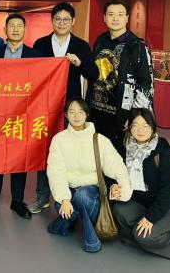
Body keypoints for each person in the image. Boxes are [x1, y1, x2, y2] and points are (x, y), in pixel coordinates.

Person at [30, 2, 99, 214]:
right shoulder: (41, 44)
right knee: (45, 149)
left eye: (66, 20)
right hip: (45, 106)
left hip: (72, 108)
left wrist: (79, 63)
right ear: (52, 20)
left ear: (73, 21)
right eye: (58, 19)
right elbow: (31, 73)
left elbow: (94, 74)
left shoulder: (81, 45)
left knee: (71, 150)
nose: (61, 23)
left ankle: (69, 196)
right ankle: (42, 195)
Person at [47, 98, 132, 253]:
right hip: (68, 190)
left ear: (87, 114)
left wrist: (124, 190)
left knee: (82, 196)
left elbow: (117, 166)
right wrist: (64, 199)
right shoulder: (59, 140)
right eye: (72, 112)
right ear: (66, 115)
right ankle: (74, 223)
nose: (76, 116)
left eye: (80, 112)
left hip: (91, 193)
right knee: (64, 204)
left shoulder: (99, 140)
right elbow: (55, 171)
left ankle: (86, 238)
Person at [0, 13, 41, 220]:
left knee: (19, 158)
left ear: (25, 30)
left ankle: (17, 201)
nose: (15, 29)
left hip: (23, 114)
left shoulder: (35, 55)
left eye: (19, 26)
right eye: (11, 26)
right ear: (5, 30)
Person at [112, 108, 170, 260]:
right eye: (135, 125)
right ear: (129, 127)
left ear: (153, 128)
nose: (140, 130)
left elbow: (168, 192)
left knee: (144, 236)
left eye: (145, 126)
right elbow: (117, 173)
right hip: (143, 202)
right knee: (119, 211)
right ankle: (141, 238)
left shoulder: (163, 153)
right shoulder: (125, 147)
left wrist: (150, 218)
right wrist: (114, 186)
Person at [87, 0, 154, 152]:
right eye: (111, 14)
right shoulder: (100, 40)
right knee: (98, 155)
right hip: (97, 111)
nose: (115, 18)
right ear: (104, 18)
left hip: (121, 115)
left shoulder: (137, 46)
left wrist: (135, 117)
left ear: (127, 18)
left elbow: (146, 84)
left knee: (119, 157)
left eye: (120, 14)